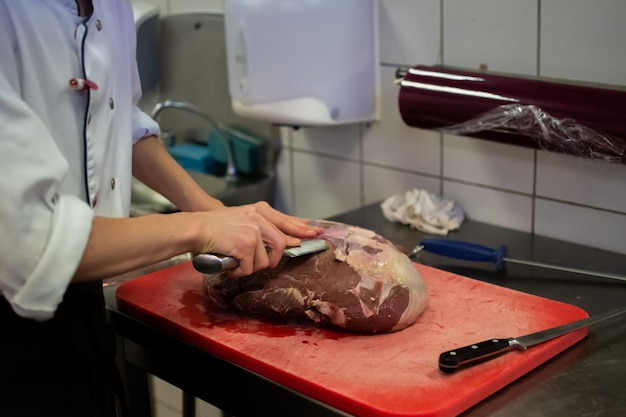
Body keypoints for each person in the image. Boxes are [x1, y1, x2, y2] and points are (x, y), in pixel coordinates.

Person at [0, 1, 323, 416]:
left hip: (80, 307)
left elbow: (120, 120)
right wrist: (199, 229)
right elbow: (31, 240)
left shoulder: (113, 8)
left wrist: (209, 207)